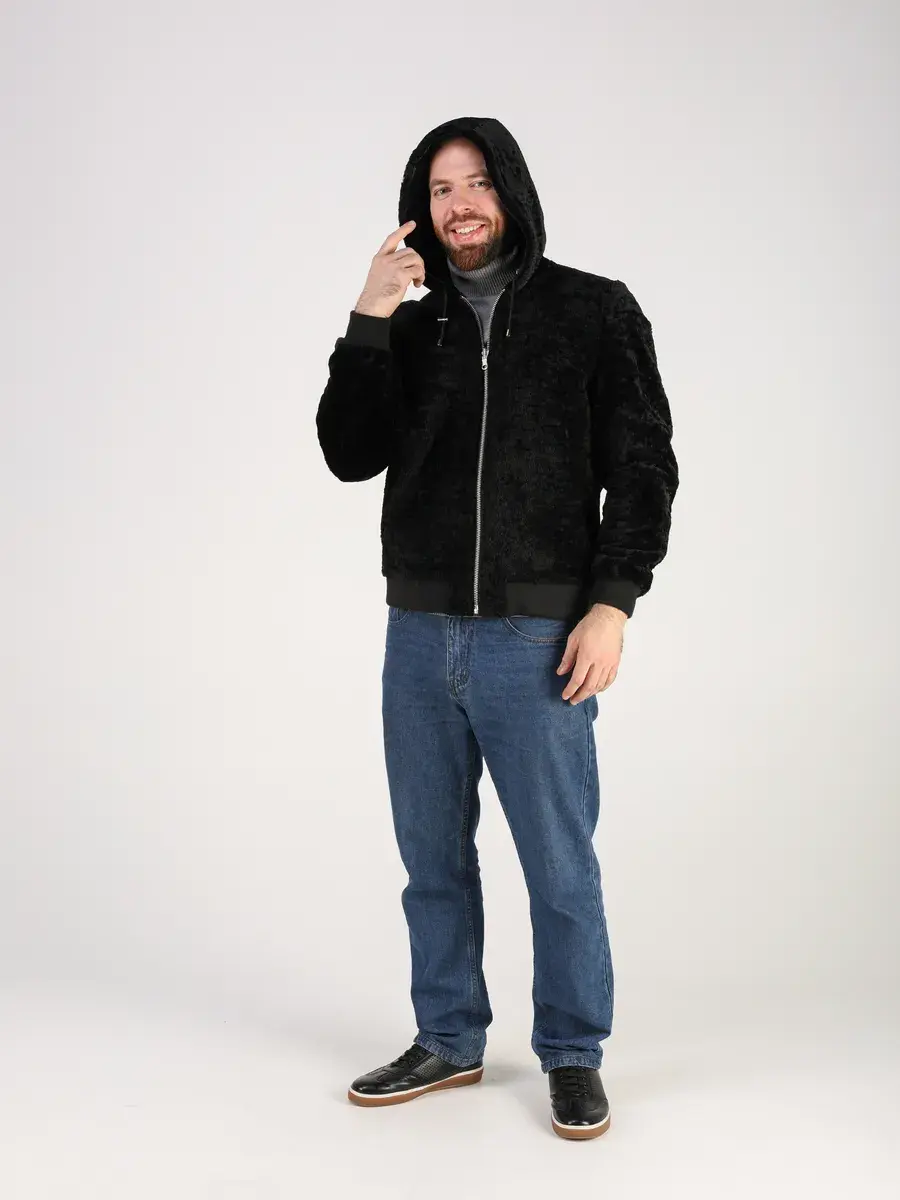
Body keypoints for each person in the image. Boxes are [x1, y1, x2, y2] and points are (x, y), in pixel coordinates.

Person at [315, 116, 678, 1140]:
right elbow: (348, 453)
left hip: (539, 636)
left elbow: (643, 467)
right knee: (431, 860)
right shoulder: (409, 325)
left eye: (476, 183)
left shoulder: (593, 311)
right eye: (441, 190)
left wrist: (611, 603)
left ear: (510, 191)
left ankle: (573, 1052)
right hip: (420, 633)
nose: (460, 205)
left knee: (559, 865)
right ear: (419, 209)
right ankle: (449, 1038)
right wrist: (369, 315)